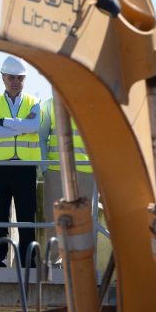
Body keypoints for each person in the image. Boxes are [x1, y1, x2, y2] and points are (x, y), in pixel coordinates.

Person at [0, 56, 41, 267]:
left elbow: (34, 127)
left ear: (24, 79)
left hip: (24, 167)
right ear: (3, 78)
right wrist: (20, 126)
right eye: (11, 77)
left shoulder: (33, 102)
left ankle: (28, 260)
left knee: (27, 217)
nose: (15, 81)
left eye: (19, 78)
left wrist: (5, 123)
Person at [39, 97, 94, 267]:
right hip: (56, 170)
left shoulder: (91, 104)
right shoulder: (49, 104)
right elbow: (41, 137)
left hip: (85, 170)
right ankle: (55, 262)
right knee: (54, 217)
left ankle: (80, 263)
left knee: (82, 220)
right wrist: (45, 168)